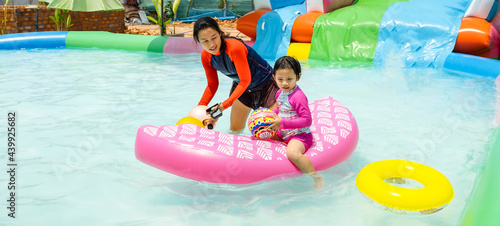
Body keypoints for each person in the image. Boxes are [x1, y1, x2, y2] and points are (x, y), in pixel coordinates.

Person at [193, 16, 279, 133]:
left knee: (274, 132)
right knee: (235, 131)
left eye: (214, 37)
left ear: (220, 33)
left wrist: (223, 106)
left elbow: (245, 80)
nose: (211, 44)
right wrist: (200, 109)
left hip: (267, 86)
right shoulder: (206, 57)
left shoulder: (234, 48)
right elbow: (212, 85)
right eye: (205, 41)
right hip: (243, 90)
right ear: (199, 41)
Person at [268, 56, 324, 189]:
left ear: (298, 77)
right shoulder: (279, 92)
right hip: (284, 133)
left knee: (292, 154)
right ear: (274, 77)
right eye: (280, 79)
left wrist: (282, 122)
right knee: (263, 133)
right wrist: (270, 114)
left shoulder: (298, 96)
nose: (285, 83)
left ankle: (316, 176)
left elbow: (307, 120)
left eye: (289, 79)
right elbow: (282, 109)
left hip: (299, 136)